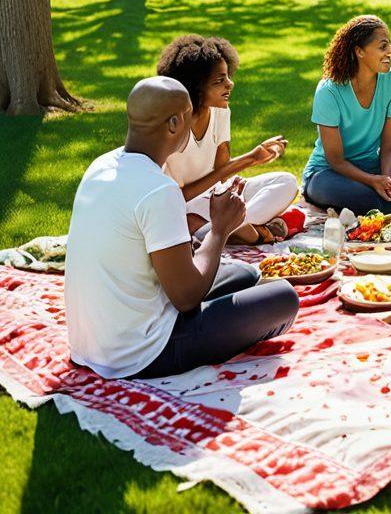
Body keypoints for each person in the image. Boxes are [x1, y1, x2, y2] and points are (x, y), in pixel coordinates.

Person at [65, 77, 299, 379]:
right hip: (142, 353)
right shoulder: (158, 190)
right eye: (190, 115)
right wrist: (220, 229)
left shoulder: (102, 165)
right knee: (284, 300)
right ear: (174, 123)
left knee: (247, 274)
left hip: (91, 343)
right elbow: (186, 298)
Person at [157, 36, 297, 243]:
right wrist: (251, 159)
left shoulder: (220, 111)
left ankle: (222, 230)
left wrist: (255, 160)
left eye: (227, 76)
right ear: (195, 88)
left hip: (216, 199)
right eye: (219, 80)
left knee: (287, 182)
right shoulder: (172, 126)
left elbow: (222, 173)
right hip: (185, 205)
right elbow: (180, 196)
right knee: (196, 212)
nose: (230, 84)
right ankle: (237, 230)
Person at [302, 16, 391, 214]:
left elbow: (390, 146)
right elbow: (335, 159)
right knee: (343, 191)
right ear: (359, 51)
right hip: (329, 173)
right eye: (383, 46)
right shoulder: (329, 90)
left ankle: (378, 205)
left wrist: (386, 180)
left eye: (389, 45)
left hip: (374, 171)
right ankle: (384, 206)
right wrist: (372, 181)